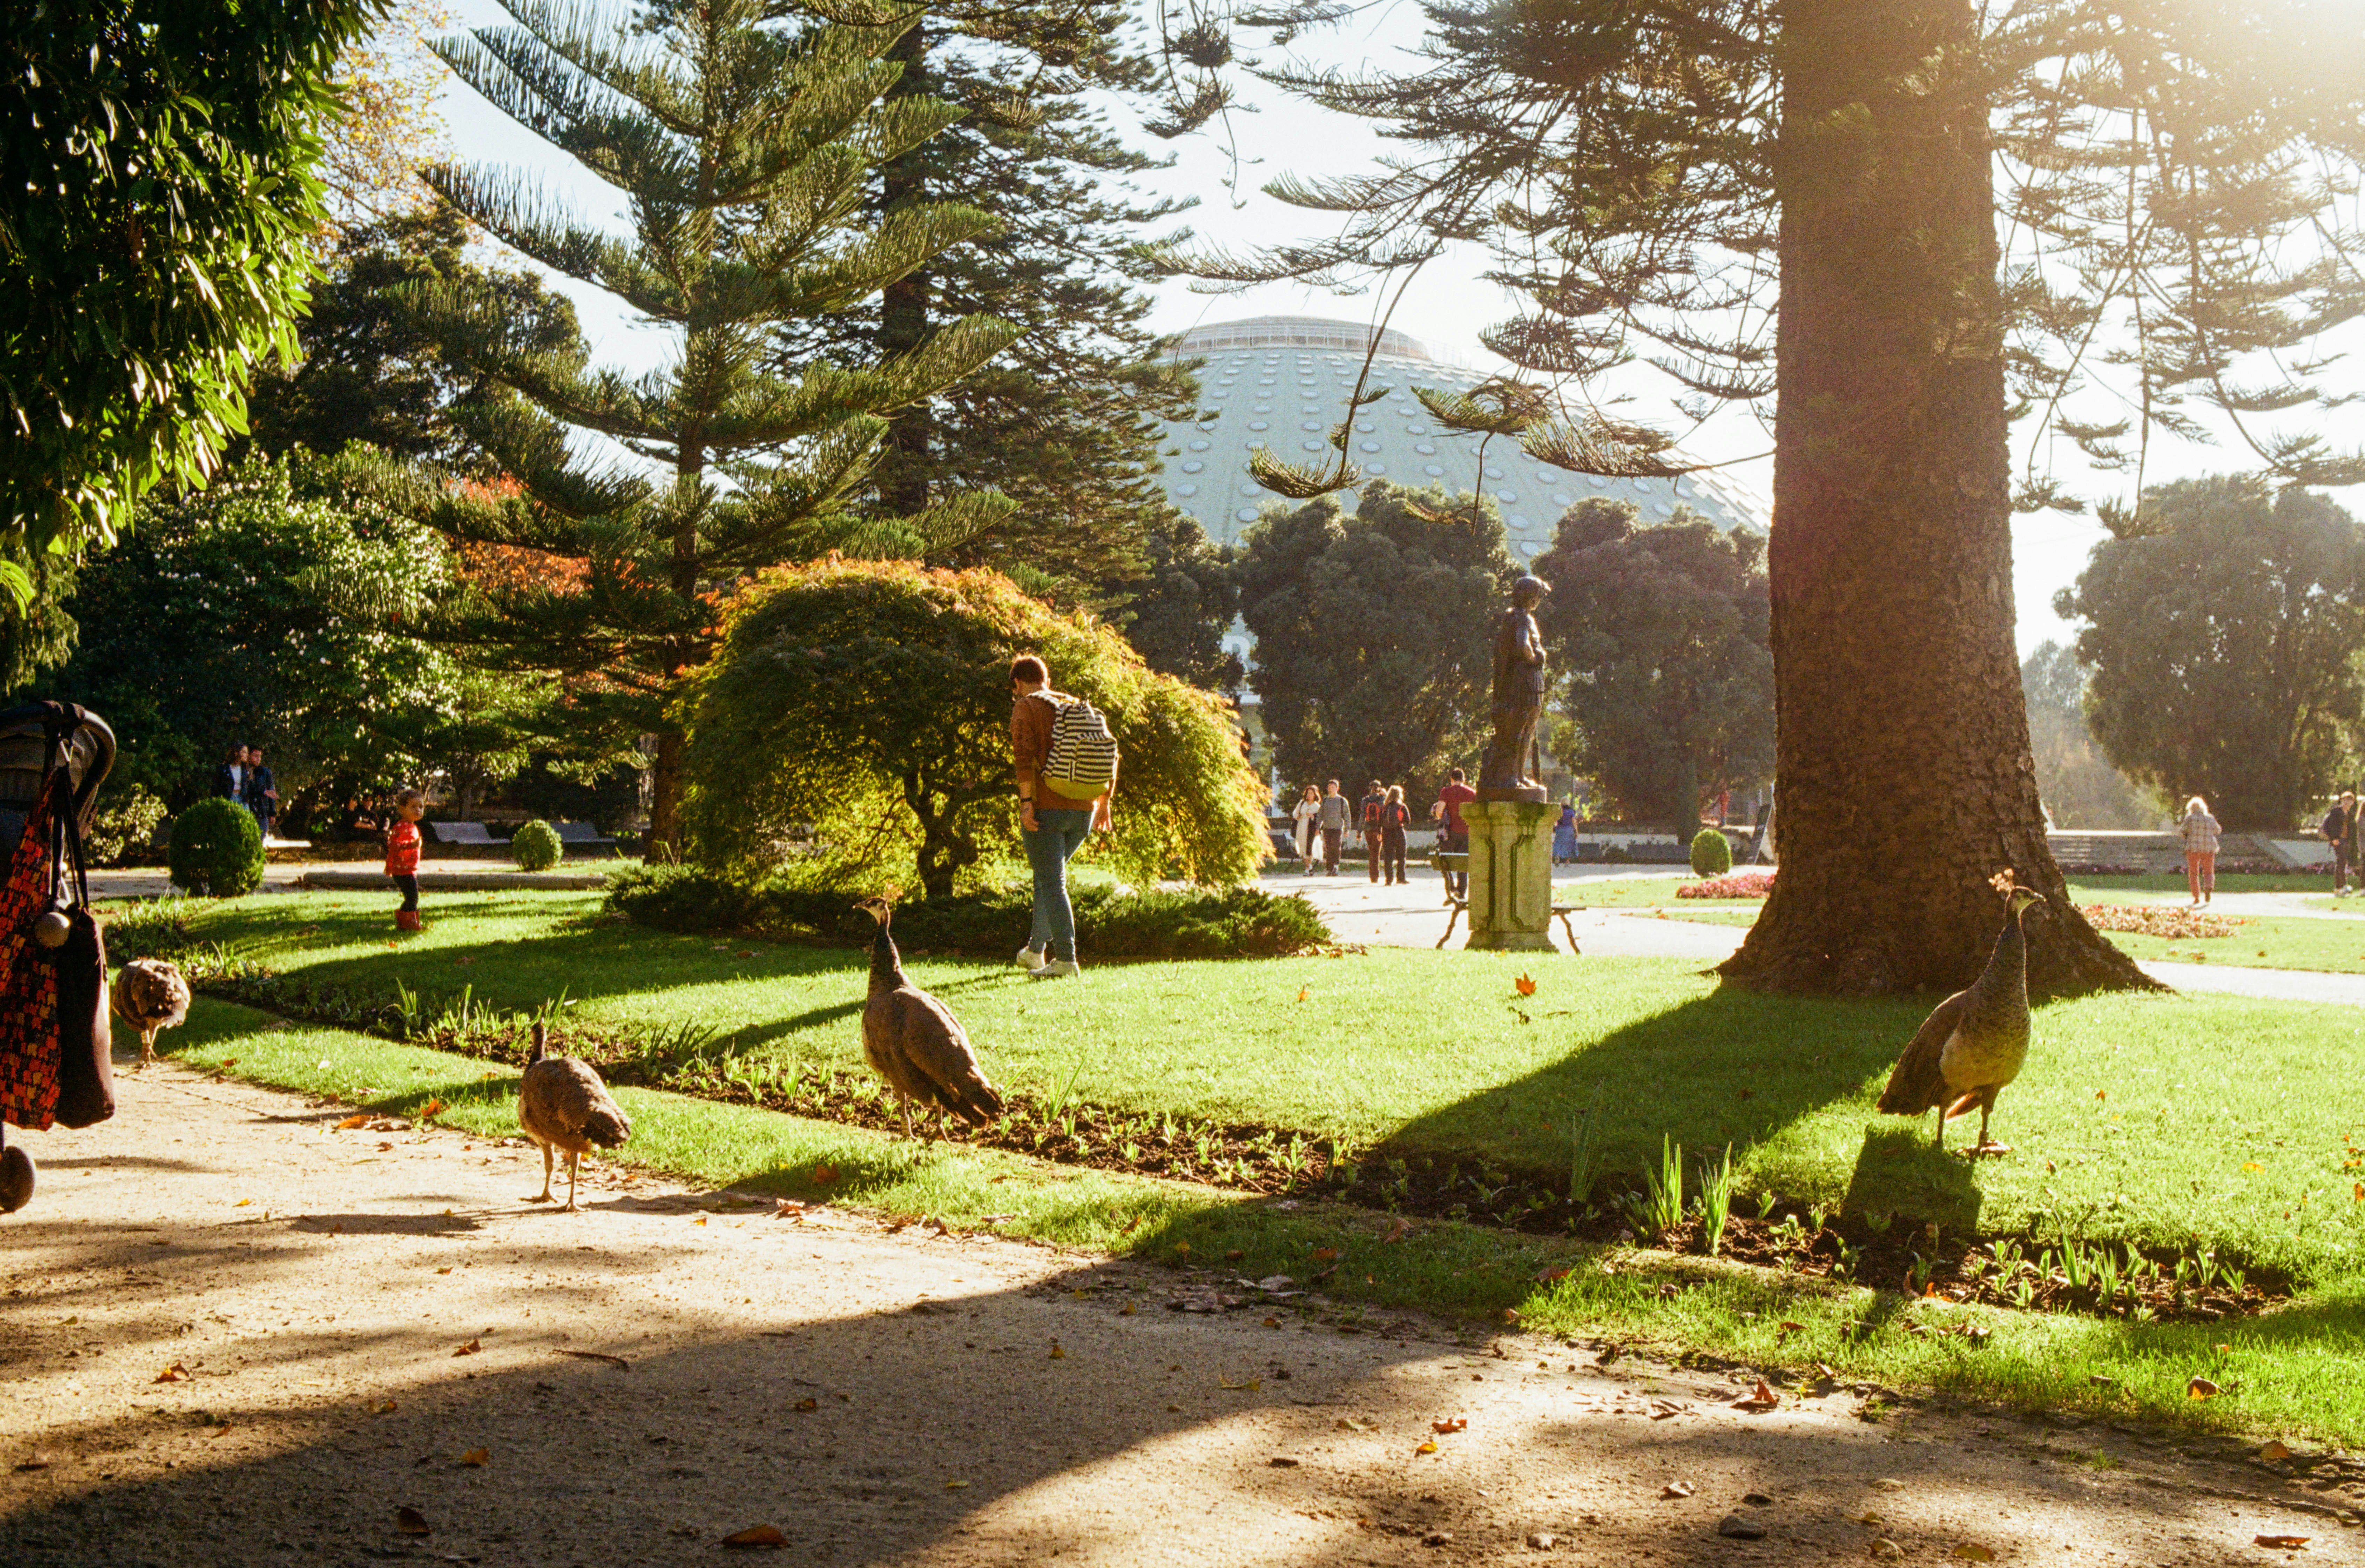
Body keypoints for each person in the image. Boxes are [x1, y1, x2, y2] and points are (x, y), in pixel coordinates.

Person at [1009, 654, 1116, 981]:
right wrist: (1105, 802)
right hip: (1085, 808)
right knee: (1048, 876)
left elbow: (1024, 759)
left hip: (1046, 806)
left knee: (1053, 882)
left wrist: (1027, 803)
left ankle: (1067, 960)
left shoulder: (1026, 707)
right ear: (1047, 679)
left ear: (1017, 683)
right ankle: (1035, 951)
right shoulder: (1074, 704)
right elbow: (1111, 751)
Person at [1435, 767, 1477, 901]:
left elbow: (1439, 812)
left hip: (1450, 832)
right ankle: (1462, 891)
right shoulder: (1472, 793)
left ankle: (1451, 887)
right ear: (1464, 779)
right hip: (1467, 832)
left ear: (1452, 779)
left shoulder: (1446, 791)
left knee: (1444, 859)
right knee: (1463, 862)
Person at [386, 787, 425, 932]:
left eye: (421, 807)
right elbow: (392, 844)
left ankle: (410, 923)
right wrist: (411, 845)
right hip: (401, 870)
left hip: (409, 869)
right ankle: (407, 924)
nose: (418, 810)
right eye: (414, 807)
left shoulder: (412, 826)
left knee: (413, 896)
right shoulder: (401, 827)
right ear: (402, 809)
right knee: (412, 897)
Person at [2179, 795, 2221, 906]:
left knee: (2194, 873)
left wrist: (2188, 837)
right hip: (2209, 848)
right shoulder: (2210, 818)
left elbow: (2182, 831)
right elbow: (2218, 830)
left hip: (2193, 848)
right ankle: (2208, 887)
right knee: (2209, 871)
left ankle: (2196, 897)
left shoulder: (2190, 818)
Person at [2325, 791, 2357, 897]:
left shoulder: (2350, 814)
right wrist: (2333, 838)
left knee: (2344, 863)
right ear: (2342, 801)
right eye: (2345, 800)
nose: (2347, 803)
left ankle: (2342, 886)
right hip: (2338, 840)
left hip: (2346, 841)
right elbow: (2328, 826)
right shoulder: (2336, 812)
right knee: (2341, 863)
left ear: (2353, 802)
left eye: (2349, 801)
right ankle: (2339, 887)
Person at [245, 747, 279, 843]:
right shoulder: (244, 771)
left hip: (262, 809)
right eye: (255, 756)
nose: (258, 759)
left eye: (260, 757)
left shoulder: (265, 772)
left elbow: (271, 791)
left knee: (261, 836)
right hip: (249, 806)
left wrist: (272, 812)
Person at [1379, 784, 1411, 885]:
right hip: (1399, 832)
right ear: (1399, 795)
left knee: (1388, 857)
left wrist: (1380, 832)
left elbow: (1380, 821)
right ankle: (1401, 878)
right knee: (1401, 856)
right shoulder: (1402, 807)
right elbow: (1408, 821)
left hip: (1386, 832)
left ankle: (1389, 880)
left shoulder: (1384, 807)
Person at [1359, 779, 1388, 883]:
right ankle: (1375, 876)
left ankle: (1373, 875)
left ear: (1370, 788)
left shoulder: (1365, 800)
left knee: (1372, 851)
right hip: (1378, 829)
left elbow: (1362, 816)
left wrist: (1359, 832)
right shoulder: (1382, 799)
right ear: (1379, 788)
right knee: (1376, 852)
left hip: (1368, 829)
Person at [1318, 778, 1349, 875]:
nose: (1330, 789)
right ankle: (1329, 869)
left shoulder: (1342, 801)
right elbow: (1320, 815)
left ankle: (1336, 866)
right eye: (1329, 787)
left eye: (1333, 787)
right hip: (1327, 828)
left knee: (1336, 847)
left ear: (1337, 788)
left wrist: (1347, 829)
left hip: (1338, 829)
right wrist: (1317, 828)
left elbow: (1347, 815)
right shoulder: (1325, 800)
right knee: (1328, 848)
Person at [1290, 785, 1322, 873]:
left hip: (1311, 829)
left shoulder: (1317, 806)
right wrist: (1298, 816)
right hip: (1301, 828)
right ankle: (1308, 867)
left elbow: (1320, 819)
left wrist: (1313, 816)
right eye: (1308, 793)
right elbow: (1295, 814)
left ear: (1315, 795)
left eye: (1312, 793)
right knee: (1302, 848)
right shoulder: (1302, 803)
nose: (1309, 795)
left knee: (1309, 848)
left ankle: (1308, 869)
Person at [213, 744, 248, 812]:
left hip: (242, 800)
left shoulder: (246, 771)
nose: (247, 755)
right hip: (229, 799)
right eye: (244, 752)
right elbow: (217, 786)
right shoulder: (224, 769)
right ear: (237, 753)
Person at [1553, 800, 1578, 864]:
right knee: (1569, 844)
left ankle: (1557, 855)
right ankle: (1567, 861)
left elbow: (1555, 821)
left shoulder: (1559, 811)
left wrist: (1555, 828)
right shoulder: (1571, 811)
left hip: (1560, 829)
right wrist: (1576, 831)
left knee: (1558, 843)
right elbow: (1574, 821)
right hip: (1569, 830)